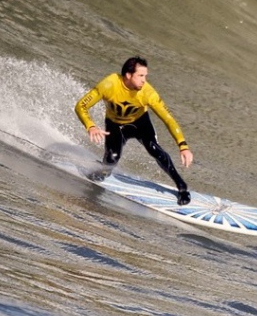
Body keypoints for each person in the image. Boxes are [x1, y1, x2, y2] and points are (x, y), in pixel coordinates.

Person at [75, 56, 194, 205]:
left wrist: (183, 146)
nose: (144, 80)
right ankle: (103, 170)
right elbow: (81, 106)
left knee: (155, 149)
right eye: (141, 76)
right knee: (112, 158)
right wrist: (90, 126)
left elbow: (168, 119)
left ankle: (181, 186)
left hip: (140, 123)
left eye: (145, 76)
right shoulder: (109, 84)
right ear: (128, 75)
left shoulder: (148, 93)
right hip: (115, 124)